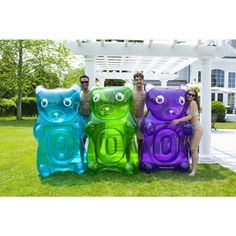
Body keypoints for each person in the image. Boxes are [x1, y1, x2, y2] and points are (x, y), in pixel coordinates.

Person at [171, 87, 203, 176]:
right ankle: (192, 168)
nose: (190, 96)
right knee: (191, 149)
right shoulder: (187, 104)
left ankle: (194, 171)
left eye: (193, 95)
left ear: (195, 97)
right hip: (190, 129)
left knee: (193, 149)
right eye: (189, 94)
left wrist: (178, 121)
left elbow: (190, 117)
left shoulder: (193, 103)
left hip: (197, 128)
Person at [131, 72, 146, 157]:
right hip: (132, 117)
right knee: (129, 137)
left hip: (141, 117)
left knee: (140, 138)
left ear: (143, 81)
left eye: (140, 79)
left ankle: (140, 157)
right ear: (134, 81)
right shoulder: (131, 92)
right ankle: (129, 156)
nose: (139, 81)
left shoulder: (145, 94)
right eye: (137, 80)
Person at [78, 75, 91, 145]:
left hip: (91, 118)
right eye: (82, 82)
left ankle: (92, 154)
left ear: (89, 82)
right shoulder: (78, 94)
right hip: (82, 118)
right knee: (82, 138)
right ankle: (82, 155)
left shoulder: (93, 93)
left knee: (93, 137)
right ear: (80, 83)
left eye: (86, 81)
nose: (84, 83)